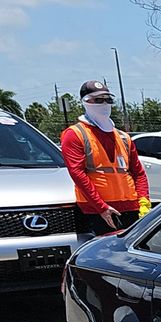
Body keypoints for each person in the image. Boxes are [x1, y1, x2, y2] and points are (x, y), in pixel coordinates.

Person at [61, 79, 149, 235]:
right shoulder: (75, 134)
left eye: (108, 99)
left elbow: (138, 173)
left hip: (131, 207)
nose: (104, 104)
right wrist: (101, 207)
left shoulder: (123, 137)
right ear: (86, 102)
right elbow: (77, 173)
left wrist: (144, 202)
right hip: (98, 210)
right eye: (98, 100)